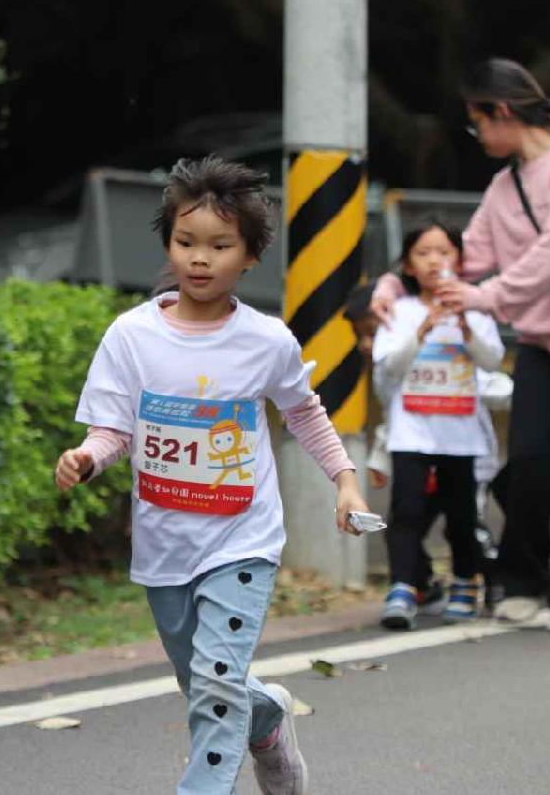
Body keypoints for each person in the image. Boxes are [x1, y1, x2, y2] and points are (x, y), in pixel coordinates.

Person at [55, 156, 371, 795]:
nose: (200, 258)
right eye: (186, 242)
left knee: (217, 680)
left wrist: (344, 478)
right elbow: (114, 430)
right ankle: (269, 720)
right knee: (204, 682)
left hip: (242, 540)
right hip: (165, 543)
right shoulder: (131, 336)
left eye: (220, 245)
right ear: (169, 245)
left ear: (250, 256)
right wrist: (87, 458)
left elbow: (302, 413)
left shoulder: (266, 340)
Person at [371, 58, 550, 633]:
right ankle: (523, 582)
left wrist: (482, 299)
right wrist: (396, 282)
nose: (477, 137)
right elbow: (463, 257)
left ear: (500, 113)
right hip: (546, 341)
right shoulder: (505, 185)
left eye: (477, 124)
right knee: (530, 464)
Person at [347, 280, 513, 615]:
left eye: (373, 333)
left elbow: (494, 384)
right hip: (415, 452)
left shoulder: (447, 353)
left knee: (463, 522)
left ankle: (494, 578)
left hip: (463, 453)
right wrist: (380, 457)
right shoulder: (390, 367)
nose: (367, 344)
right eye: (361, 335)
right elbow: (394, 415)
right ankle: (418, 585)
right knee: (406, 522)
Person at [370, 221, 504, 629]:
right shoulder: (399, 311)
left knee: (461, 514)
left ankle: (465, 580)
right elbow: (390, 367)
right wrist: (422, 330)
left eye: (444, 252)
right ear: (408, 266)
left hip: (459, 434)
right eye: (424, 253)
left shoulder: (475, 313)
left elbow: (492, 361)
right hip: (411, 430)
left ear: (459, 261)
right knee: (406, 510)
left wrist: (464, 329)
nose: (435, 261)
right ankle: (403, 588)